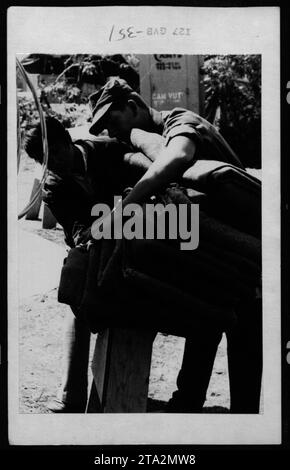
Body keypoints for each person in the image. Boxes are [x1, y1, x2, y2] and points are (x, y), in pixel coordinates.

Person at [87, 77, 262, 413]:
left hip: (246, 254)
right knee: (206, 320)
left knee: (245, 344)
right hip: (218, 255)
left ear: (133, 106)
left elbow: (178, 157)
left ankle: (246, 422)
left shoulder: (180, 120)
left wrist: (124, 210)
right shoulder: (147, 140)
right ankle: (187, 402)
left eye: (114, 120)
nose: (113, 131)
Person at [24, 116, 143, 412]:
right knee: (76, 285)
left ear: (67, 139)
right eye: (44, 161)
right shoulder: (53, 186)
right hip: (96, 245)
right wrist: (101, 230)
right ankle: (71, 394)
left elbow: (147, 180)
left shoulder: (109, 150)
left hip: (143, 230)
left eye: (56, 155)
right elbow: (76, 232)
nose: (53, 165)